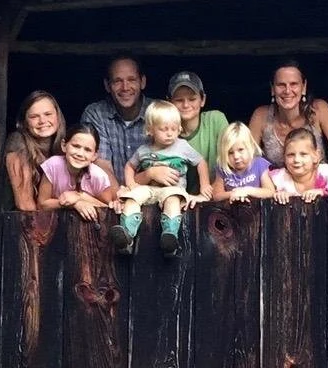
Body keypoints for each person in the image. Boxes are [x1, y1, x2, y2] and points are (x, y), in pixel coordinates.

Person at [249, 60, 328, 199]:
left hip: (321, 195)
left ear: (304, 87)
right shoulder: (261, 116)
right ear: (272, 88)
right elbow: (249, 159)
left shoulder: (319, 110)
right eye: (281, 85)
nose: (287, 90)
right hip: (279, 198)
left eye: (294, 84)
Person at [112, 100, 210, 257]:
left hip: (172, 189)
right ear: (150, 130)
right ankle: (127, 234)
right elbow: (129, 166)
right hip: (148, 189)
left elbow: (201, 162)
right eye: (164, 129)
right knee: (131, 199)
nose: (170, 133)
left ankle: (169, 236)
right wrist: (131, 184)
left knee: (173, 200)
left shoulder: (182, 146)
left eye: (174, 129)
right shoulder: (143, 150)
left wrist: (204, 186)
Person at [80, 56, 152, 179]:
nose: (125, 87)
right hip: (108, 195)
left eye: (131, 79)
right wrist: (119, 196)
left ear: (142, 82)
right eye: (117, 81)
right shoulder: (96, 114)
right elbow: (101, 166)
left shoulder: (158, 112)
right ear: (107, 85)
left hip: (154, 194)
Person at [36, 123, 120, 218]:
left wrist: (80, 197)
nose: (80, 153)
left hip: (91, 228)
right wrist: (73, 204)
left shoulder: (98, 176)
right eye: (76, 146)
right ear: (64, 145)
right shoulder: (53, 166)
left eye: (87, 150)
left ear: (94, 155)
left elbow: (108, 209)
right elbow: (42, 205)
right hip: (55, 224)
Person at [3, 90, 66, 211]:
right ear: (24, 123)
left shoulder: (65, 146)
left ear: (58, 117)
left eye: (48, 114)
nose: (42, 121)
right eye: (34, 116)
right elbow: (25, 204)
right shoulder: (17, 142)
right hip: (17, 222)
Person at [168, 70, 229, 174]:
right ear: (169, 102)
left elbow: (232, 158)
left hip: (217, 189)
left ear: (203, 100)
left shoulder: (215, 120)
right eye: (179, 100)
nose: (186, 105)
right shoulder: (163, 130)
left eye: (192, 99)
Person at [268, 126, 328, 202]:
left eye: (303, 154)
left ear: (316, 156)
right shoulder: (279, 178)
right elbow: (267, 193)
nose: (296, 160)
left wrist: (323, 193)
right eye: (291, 155)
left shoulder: (325, 172)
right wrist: (278, 195)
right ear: (284, 157)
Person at [212, 122, 272, 201]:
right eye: (230, 153)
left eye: (240, 150)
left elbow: (270, 192)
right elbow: (217, 195)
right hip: (231, 211)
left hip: (256, 211)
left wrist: (247, 191)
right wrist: (234, 194)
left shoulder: (259, 164)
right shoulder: (223, 169)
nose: (236, 156)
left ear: (250, 147)